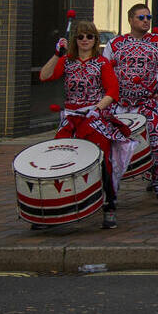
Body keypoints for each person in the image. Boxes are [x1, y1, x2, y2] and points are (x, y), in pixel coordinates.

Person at [40, 20, 126, 229]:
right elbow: (44, 76)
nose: (85, 40)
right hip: (71, 117)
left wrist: (96, 109)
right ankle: (53, 210)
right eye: (81, 37)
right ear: (75, 40)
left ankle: (109, 205)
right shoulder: (67, 61)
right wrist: (56, 55)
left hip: (94, 117)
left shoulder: (102, 63)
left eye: (90, 37)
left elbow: (112, 92)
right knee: (57, 157)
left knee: (102, 159)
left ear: (96, 40)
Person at [105, 3, 158, 206]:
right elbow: (105, 74)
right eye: (141, 17)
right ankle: (111, 189)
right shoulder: (114, 44)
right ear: (130, 20)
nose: (146, 20)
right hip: (120, 106)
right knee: (112, 147)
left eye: (148, 17)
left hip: (147, 104)